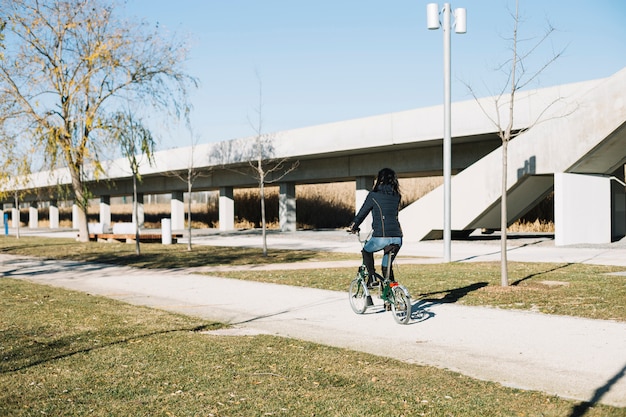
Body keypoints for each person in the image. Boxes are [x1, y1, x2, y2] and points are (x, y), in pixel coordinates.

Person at [348, 167, 403, 288]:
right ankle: (391, 298)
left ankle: (372, 278)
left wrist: (353, 226)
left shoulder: (373, 195)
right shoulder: (397, 196)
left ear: (379, 180)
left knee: (366, 252)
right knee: (386, 267)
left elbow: (362, 213)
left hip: (381, 237)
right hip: (397, 238)